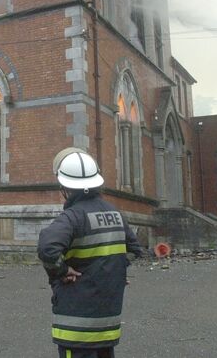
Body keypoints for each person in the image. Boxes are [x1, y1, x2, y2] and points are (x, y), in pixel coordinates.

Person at [38, 148, 144, 358]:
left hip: (76, 326)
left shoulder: (72, 217)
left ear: (65, 187)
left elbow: (47, 248)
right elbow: (134, 250)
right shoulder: (116, 215)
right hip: (107, 322)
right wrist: (114, 271)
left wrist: (62, 271)